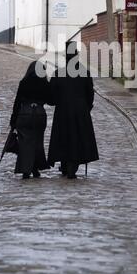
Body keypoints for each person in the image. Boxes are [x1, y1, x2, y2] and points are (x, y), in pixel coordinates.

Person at [48, 42, 99, 179]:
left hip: (63, 112)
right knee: (77, 139)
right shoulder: (85, 73)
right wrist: (86, 108)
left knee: (64, 138)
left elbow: (51, 97)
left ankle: (67, 165)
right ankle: (71, 166)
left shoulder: (58, 74)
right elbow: (90, 95)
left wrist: (58, 102)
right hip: (80, 112)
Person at [10, 61, 51, 179]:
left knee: (25, 143)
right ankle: (35, 168)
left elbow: (17, 102)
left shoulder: (24, 82)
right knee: (37, 142)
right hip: (39, 114)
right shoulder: (44, 83)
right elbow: (51, 100)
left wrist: (13, 119)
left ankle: (26, 170)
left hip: (25, 114)